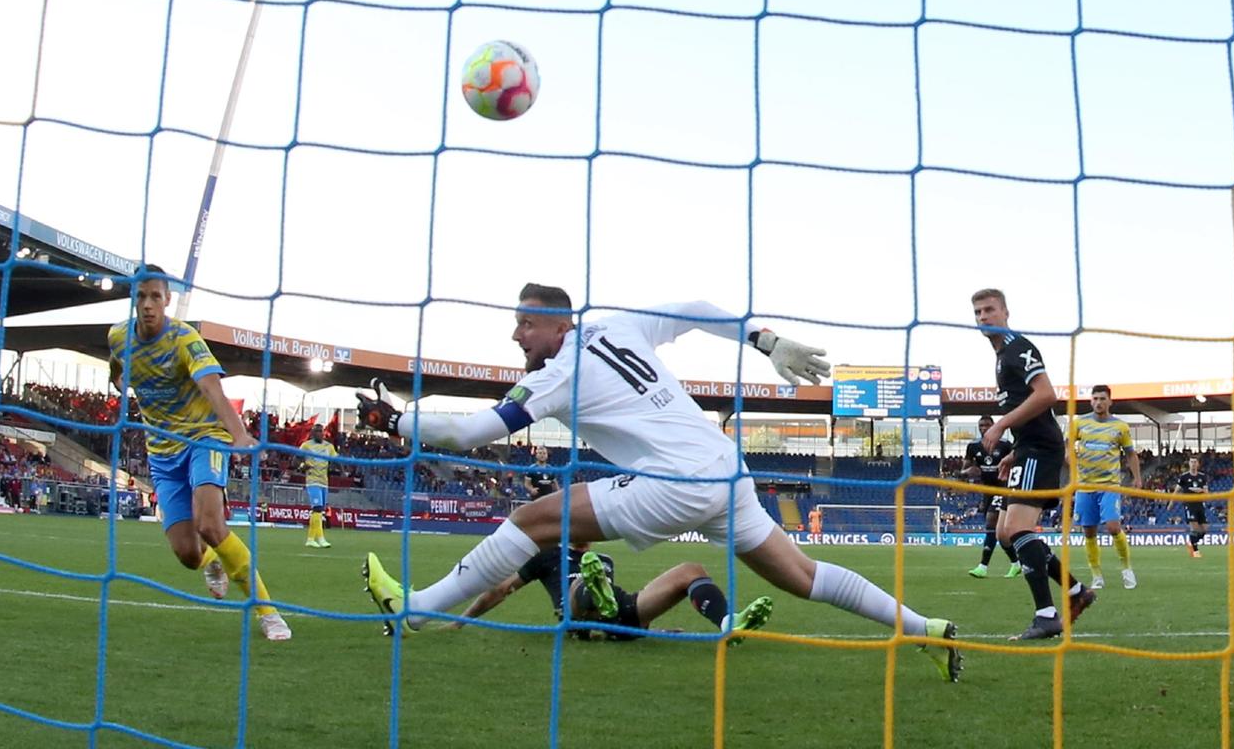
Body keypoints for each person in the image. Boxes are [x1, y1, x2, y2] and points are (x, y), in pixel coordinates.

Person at [358, 284, 961, 681]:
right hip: (726, 470)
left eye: (522, 324)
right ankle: (925, 630)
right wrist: (766, 341)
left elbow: (469, 435)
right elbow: (695, 309)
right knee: (803, 576)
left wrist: (398, 419)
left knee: (531, 521)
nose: (516, 337)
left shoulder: (559, 372)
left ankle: (416, 610)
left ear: (552, 321)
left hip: (676, 480)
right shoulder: (621, 326)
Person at [108, 265, 290, 640]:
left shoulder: (185, 339)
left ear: (167, 300)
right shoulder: (118, 337)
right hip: (161, 452)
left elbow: (212, 389)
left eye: (155, 296)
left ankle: (268, 612)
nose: (147, 304)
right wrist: (123, 383)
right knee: (188, 555)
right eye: (140, 296)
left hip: (204, 438)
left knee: (210, 523)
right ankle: (212, 563)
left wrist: (239, 435)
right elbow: (117, 365)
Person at [972, 288, 1094, 640]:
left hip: (1042, 449)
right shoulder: (1000, 356)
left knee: (1020, 531)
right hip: (1029, 448)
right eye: (978, 312)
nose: (983, 317)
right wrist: (1014, 450)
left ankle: (1047, 615)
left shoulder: (1017, 348)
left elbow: (1046, 395)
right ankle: (1075, 592)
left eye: (989, 310)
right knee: (1004, 533)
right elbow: (1031, 407)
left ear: (1006, 312)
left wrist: (1001, 424)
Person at [448, 543, 773, 643]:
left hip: (617, 614)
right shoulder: (546, 555)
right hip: (575, 614)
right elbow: (501, 590)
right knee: (582, 584)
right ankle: (594, 594)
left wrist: (653, 629)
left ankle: (729, 622)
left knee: (690, 569)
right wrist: (460, 621)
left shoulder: (605, 559)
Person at [1068, 385, 1140, 590]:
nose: (1098, 402)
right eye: (1095, 398)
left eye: (1102, 398)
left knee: (1112, 527)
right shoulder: (1079, 423)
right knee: (1088, 532)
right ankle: (1096, 574)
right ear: (1090, 401)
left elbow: (1130, 454)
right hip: (1084, 485)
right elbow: (1068, 447)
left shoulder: (1120, 426)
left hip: (1110, 485)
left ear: (1110, 401)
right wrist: (1070, 460)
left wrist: (1137, 478)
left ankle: (1127, 570)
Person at [961, 415, 1020, 579]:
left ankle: (983, 567)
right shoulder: (973, 447)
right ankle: (1016, 563)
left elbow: (1016, 461)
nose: (984, 428)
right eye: (981, 425)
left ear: (994, 426)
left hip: (1003, 488)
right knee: (997, 531)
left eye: (987, 425)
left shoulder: (1005, 445)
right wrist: (966, 472)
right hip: (987, 490)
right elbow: (967, 468)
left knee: (991, 521)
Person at [299, 424, 336, 549]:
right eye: (318, 431)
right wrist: (302, 466)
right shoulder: (306, 445)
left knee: (319, 511)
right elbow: (295, 460)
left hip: (324, 482)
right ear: (313, 433)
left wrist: (341, 469)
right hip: (312, 480)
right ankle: (321, 538)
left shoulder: (329, 447)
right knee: (318, 508)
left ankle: (310, 539)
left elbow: (335, 459)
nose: (321, 433)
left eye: (322, 431)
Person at [1172, 456, 1209, 558]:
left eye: (1195, 462)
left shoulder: (1202, 477)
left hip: (1200, 504)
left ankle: (1191, 542)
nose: (1193, 464)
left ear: (1198, 464)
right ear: (1189, 463)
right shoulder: (1184, 477)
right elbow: (1177, 490)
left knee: (1204, 529)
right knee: (1195, 528)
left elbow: (1206, 492)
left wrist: (1200, 490)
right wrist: (1171, 502)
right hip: (1189, 504)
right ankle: (1195, 551)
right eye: (1191, 462)